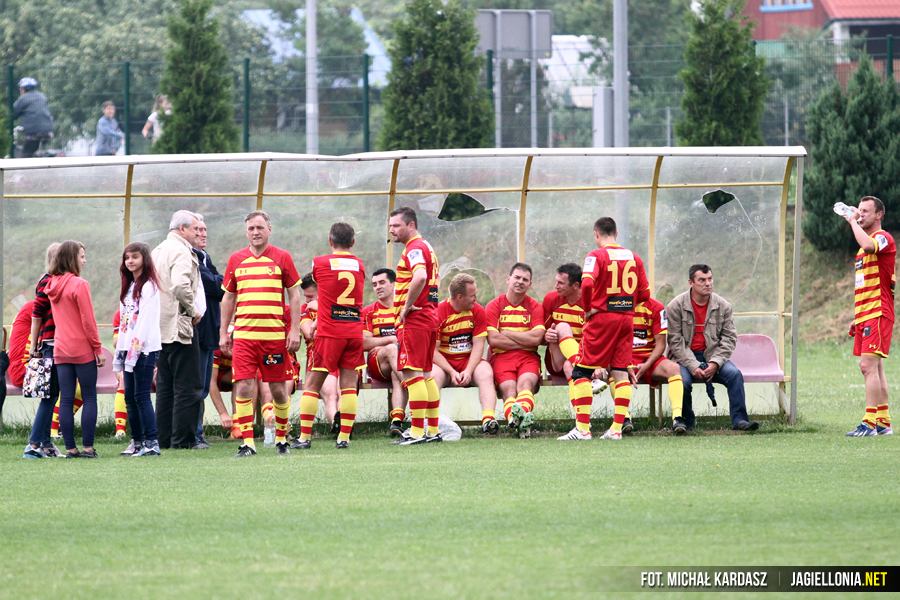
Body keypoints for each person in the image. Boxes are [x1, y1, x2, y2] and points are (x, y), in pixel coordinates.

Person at [555, 217, 651, 440]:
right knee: (620, 371)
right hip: (626, 320)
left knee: (580, 371)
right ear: (616, 233)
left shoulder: (596, 256)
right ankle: (616, 430)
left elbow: (587, 283)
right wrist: (624, 304)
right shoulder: (634, 257)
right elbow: (645, 294)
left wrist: (589, 308)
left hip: (602, 319)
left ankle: (583, 429)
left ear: (596, 234)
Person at [220, 211, 302, 457]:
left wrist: (294, 330)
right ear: (246, 232)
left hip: (274, 339)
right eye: (251, 228)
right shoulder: (236, 259)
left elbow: (294, 295)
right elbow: (228, 298)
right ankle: (248, 443)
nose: (255, 232)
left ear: (269, 230)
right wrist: (224, 333)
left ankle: (282, 439)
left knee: (278, 390)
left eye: (259, 227)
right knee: (244, 387)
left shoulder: (282, 257)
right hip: (244, 338)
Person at [295, 222, 364, 450]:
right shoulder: (359, 264)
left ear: (330, 240)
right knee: (349, 386)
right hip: (353, 330)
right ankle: (343, 438)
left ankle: (304, 438)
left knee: (312, 385)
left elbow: (324, 289)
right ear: (353, 242)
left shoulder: (320, 262)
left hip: (330, 332)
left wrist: (317, 322)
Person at [666, 264, 759, 432]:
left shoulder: (724, 306)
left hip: (713, 356)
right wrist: (693, 365)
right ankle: (686, 422)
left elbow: (729, 338)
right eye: (702, 280)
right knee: (683, 381)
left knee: (734, 375)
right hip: (684, 358)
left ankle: (740, 421)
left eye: (710, 279)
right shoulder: (675, 306)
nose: (708, 283)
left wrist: (715, 363)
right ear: (691, 283)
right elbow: (675, 341)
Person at [44, 241, 105, 458]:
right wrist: (98, 349)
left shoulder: (51, 284)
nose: (84, 261)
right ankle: (88, 448)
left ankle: (70, 448)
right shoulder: (79, 284)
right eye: (81, 256)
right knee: (89, 397)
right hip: (81, 349)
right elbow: (88, 321)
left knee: (66, 399)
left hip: (61, 348)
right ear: (72, 259)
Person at [151, 210, 205, 449]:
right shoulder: (182, 251)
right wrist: (193, 310)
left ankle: (163, 438)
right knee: (188, 386)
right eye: (195, 229)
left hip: (159, 328)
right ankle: (183, 440)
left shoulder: (157, 250)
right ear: (182, 229)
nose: (198, 233)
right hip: (179, 327)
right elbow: (181, 285)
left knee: (165, 386)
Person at [388, 207, 441, 445]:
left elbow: (420, 276)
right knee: (426, 375)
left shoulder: (414, 248)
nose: (392, 230)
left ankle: (417, 432)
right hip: (429, 317)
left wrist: (407, 306)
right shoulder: (426, 246)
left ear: (411, 225)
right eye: (390, 226)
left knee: (411, 374)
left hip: (416, 320)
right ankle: (432, 431)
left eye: (396, 225)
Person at [843, 196, 895, 436]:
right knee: (876, 368)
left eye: (866, 211)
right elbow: (867, 285)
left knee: (867, 366)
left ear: (878, 215)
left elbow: (869, 246)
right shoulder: (862, 246)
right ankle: (883, 421)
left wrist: (853, 222)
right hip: (868, 313)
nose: (861, 214)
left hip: (878, 312)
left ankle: (869, 423)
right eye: (859, 210)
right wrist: (859, 316)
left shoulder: (882, 238)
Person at [113, 243, 163, 456]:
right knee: (129, 398)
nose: (130, 261)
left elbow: (144, 323)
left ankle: (151, 442)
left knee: (142, 396)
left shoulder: (149, 286)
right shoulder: (129, 286)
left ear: (144, 259)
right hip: (128, 348)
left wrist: (134, 352)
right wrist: (122, 351)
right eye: (127, 258)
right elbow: (125, 322)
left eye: (135, 257)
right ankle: (137, 441)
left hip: (144, 349)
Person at [485, 263, 545, 437]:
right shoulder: (494, 305)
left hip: (528, 357)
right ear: (508, 279)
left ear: (529, 284)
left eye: (525, 279)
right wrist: (526, 340)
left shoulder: (535, 306)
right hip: (501, 357)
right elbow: (494, 340)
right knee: (509, 390)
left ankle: (516, 419)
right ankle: (521, 423)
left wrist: (507, 332)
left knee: (526, 385)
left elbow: (537, 339)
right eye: (517, 277)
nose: (520, 282)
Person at [432, 273, 495, 434]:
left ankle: (488, 421)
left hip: (468, 361)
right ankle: (431, 424)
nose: (476, 298)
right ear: (459, 297)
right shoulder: (438, 313)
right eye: (472, 295)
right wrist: (451, 371)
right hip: (444, 364)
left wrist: (468, 370)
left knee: (486, 373)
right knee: (433, 376)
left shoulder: (478, 310)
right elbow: (433, 351)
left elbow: (479, 345)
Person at [23, 243, 68, 459]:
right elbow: (36, 315)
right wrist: (34, 346)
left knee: (52, 394)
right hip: (50, 343)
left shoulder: (55, 280)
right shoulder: (47, 281)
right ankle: (33, 444)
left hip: (55, 342)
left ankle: (46, 444)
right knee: (49, 396)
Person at [191, 217, 229, 447]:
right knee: (195, 385)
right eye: (198, 229)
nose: (203, 234)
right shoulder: (190, 258)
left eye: (205, 229)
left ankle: (197, 433)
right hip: (197, 329)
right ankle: (192, 433)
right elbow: (218, 285)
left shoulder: (204, 256)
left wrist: (218, 283)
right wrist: (219, 282)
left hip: (210, 329)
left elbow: (222, 286)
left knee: (203, 386)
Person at [292, 272, 340, 446]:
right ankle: (338, 423)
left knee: (343, 391)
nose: (307, 300)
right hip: (320, 356)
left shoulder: (337, 305)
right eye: (305, 296)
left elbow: (341, 331)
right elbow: (309, 333)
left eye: (310, 296)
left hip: (340, 356)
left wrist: (321, 309)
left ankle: (343, 425)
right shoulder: (304, 310)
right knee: (331, 394)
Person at [629, 298, 687, 434]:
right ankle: (624, 418)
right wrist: (625, 364)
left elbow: (661, 344)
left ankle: (677, 418)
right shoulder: (617, 305)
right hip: (624, 358)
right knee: (613, 369)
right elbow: (612, 341)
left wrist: (647, 364)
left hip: (650, 358)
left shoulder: (656, 307)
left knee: (674, 368)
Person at [361, 268, 406, 436]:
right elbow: (364, 343)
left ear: (394, 284)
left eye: (382, 283)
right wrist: (390, 340)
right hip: (378, 363)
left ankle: (397, 421)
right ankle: (417, 393)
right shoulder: (369, 311)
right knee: (393, 350)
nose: (377, 287)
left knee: (397, 372)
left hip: (401, 362)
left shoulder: (404, 308)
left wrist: (379, 341)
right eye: (374, 284)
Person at [12, 77, 53, 158]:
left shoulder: (23, 98)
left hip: (33, 131)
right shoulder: (42, 96)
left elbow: (14, 113)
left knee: (26, 155)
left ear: (23, 89)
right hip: (48, 130)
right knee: (38, 150)